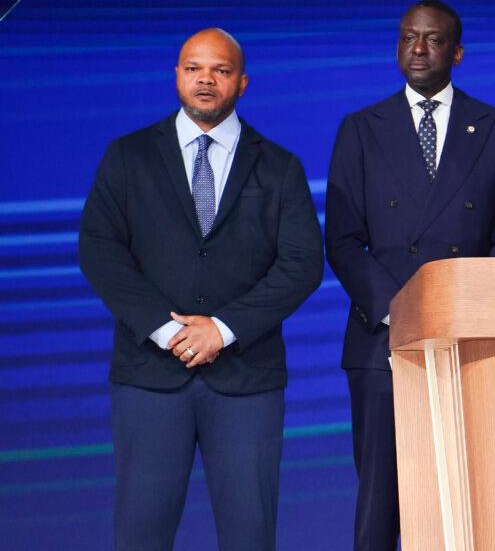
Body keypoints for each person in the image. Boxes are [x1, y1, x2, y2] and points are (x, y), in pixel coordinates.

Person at [79, 28, 325, 551]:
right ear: (177, 76)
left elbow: (302, 264)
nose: (205, 80)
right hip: (149, 376)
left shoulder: (280, 166)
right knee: (140, 535)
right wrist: (168, 331)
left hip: (247, 378)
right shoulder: (128, 156)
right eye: (193, 68)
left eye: (220, 70)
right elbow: (101, 251)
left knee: (249, 536)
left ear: (242, 82)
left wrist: (223, 329)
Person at [325, 0, 495, 551]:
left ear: (458, 52)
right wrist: (401, 310)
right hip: (380, 340)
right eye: (408, 37)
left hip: (465, 340)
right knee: (378, 501)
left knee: (463, 496)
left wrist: (463, 310)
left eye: (433, 39)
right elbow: (342, 240)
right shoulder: (360, 129)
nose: (418, 49)